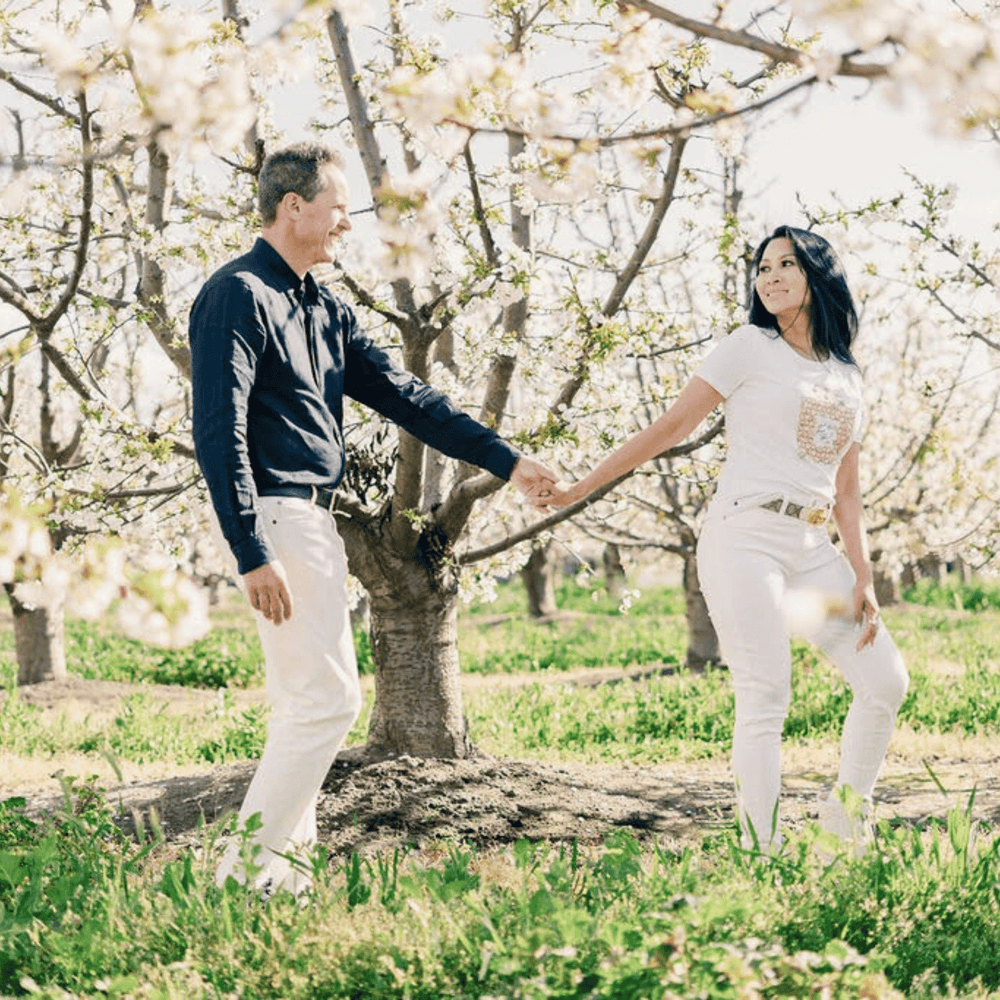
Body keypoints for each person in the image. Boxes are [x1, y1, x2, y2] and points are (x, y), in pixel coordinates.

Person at [189, 142, 556, 896]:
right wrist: (248, 546)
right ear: (294, 208)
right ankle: (240, 881)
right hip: (279, 516)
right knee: (330, 701)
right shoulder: (237, 294)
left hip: (313, 521)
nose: (347, 225)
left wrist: (507, 460)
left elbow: (410, 399)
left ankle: (279, 887)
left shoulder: (323, 308)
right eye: (339, 208)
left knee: (304, 705)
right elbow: (217, 426)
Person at [537, 226, 909, 855]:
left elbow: (847, 488)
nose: (770, 276)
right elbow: (673, 426)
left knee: (885, 682)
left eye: (787, 264)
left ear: (819, 276)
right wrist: (579, 488)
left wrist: (863, 575)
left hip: (814, 549)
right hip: (745, 538)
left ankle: (844, 828)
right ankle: (761, 852)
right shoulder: (749, 347)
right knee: (766, 694)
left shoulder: (848, 375)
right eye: (763, 266)